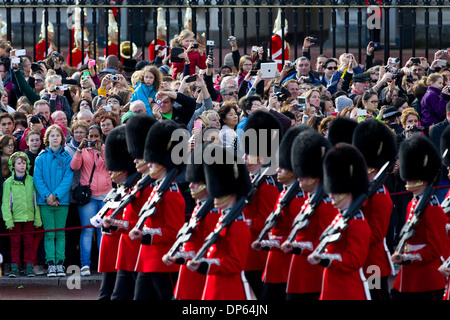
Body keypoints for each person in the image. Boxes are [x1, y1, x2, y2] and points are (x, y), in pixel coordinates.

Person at [186, 143, 253, 300]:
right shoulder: (224, 219)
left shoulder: (238, 225)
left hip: (230, 292)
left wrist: (206, 264)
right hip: (213, 288)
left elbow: (235, 264)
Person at [129, 120, 186, 300]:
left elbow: (173, 231)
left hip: (163, 261)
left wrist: (146, 234)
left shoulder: (171, 193)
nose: (149, 164)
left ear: (162, 163)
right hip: (147, 259)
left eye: (153, 162)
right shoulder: (155, 188)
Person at [307, 142, 371, 300]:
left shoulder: (358, 223)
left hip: (348, 291)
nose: (331, 196)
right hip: (331, 287)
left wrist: (326, 260)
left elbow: (354, 260)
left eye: (336, 191)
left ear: (347, 192)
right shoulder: (339, 216)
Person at [252, 125, 309, 300]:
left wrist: (274, 242)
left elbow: (297, 234)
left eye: (283, 168)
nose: (278, 170)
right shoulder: (285, 193)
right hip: (274, 261)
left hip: (286, 262)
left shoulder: (298, 197)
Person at [281, 129, 337, 300]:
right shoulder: (309, 199)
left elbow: (325, 241)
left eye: (303, 174)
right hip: (298, 269)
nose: (299, 178)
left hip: (314, 273)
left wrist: (298, 246)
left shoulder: (325, 202)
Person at [391, 134, 448, 300]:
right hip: (410, 276)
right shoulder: (412, 204)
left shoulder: (432, 208)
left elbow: (435, 249)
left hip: (426, 279)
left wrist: (407, 258)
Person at [109, 114, 157, 300]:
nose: (135, 160)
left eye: (139, 157)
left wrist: (119, 224)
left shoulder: (151, 186)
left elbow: (143, 223)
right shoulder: (138, 184)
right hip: (130, 249)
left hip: (143, 249)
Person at [162, 146, 221, 300]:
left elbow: (210, 249)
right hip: (188, 273)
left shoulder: (213, 212)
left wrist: (182, 255)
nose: (190, 186)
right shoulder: (199, 208)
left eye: (196, 182)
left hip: (199, 275)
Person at [352, 119, 397, 300]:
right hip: (362, 258)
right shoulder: (365, 189)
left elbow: (377, 234)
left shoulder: (378, 193)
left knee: (377, 296)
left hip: (374, 263)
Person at [241, 110, 281, 298]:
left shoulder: (266, 187)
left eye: (248, 154)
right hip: (244, 252)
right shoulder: (248, 181)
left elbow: (265, 222)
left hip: (256, 256)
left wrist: (241, 224)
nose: (243, 157)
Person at [98, 125, 140, 300]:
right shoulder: (119, 189)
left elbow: (133, 222)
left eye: (113, 169)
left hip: (128, 248)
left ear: (123, 170)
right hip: (113, 249)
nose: (110, 172)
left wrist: (113, 223)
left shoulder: (135, 189)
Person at [70, 124, 112, 276]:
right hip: (89, 197)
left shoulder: (106, 149)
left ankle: (103, 264)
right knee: (87, 231)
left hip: (106, 196)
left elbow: (111, 166)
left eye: (96, 136)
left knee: (103, 232)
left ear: (101, 137)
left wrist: (101, 151)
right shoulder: (83, 150)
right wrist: (79, 150)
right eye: (91, 136)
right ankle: (85, 265)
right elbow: (74, 166)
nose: (93, 139)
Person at [33, 124, 73, 277]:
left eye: (57, 136)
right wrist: (48, 197)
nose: (55, 138)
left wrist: (56, 196)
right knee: (49, 234)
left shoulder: (67, 158)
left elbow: (67, 179)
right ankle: (51, 263)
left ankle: (60, 263)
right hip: (45, 203)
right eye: (52, 136)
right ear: (47, 138)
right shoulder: (41, 157)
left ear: (62, 139)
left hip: (61, 202)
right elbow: (38, 178)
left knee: (60, 233)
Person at [2, 152, 42, 277]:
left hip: (29, 219)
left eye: (24, 163)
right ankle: (15, 267)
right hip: (15, 220)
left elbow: (36, 202)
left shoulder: (32, 180)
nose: (22, 166)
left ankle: (28, 267)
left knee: (28, 244)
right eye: (19, 163)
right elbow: (5, 204)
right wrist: (8, 221)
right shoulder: (8, 182)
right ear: (13, 166)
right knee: (15, 245)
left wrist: (37, 220)